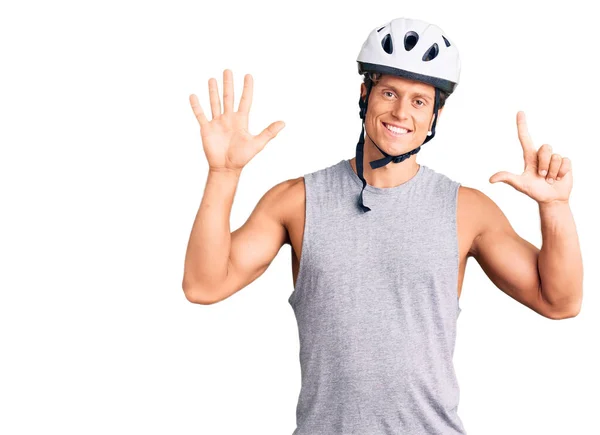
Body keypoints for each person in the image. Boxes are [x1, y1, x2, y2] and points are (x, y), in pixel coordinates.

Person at [182, 17, 583, 435]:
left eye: (419, 101)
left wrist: (555, 207)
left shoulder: (467, 210)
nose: (400, 112)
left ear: (435, 115)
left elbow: (559, 301)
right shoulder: (297, 202)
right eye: (389, 92)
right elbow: (204, 285)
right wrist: (223, 174)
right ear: (364, 94)